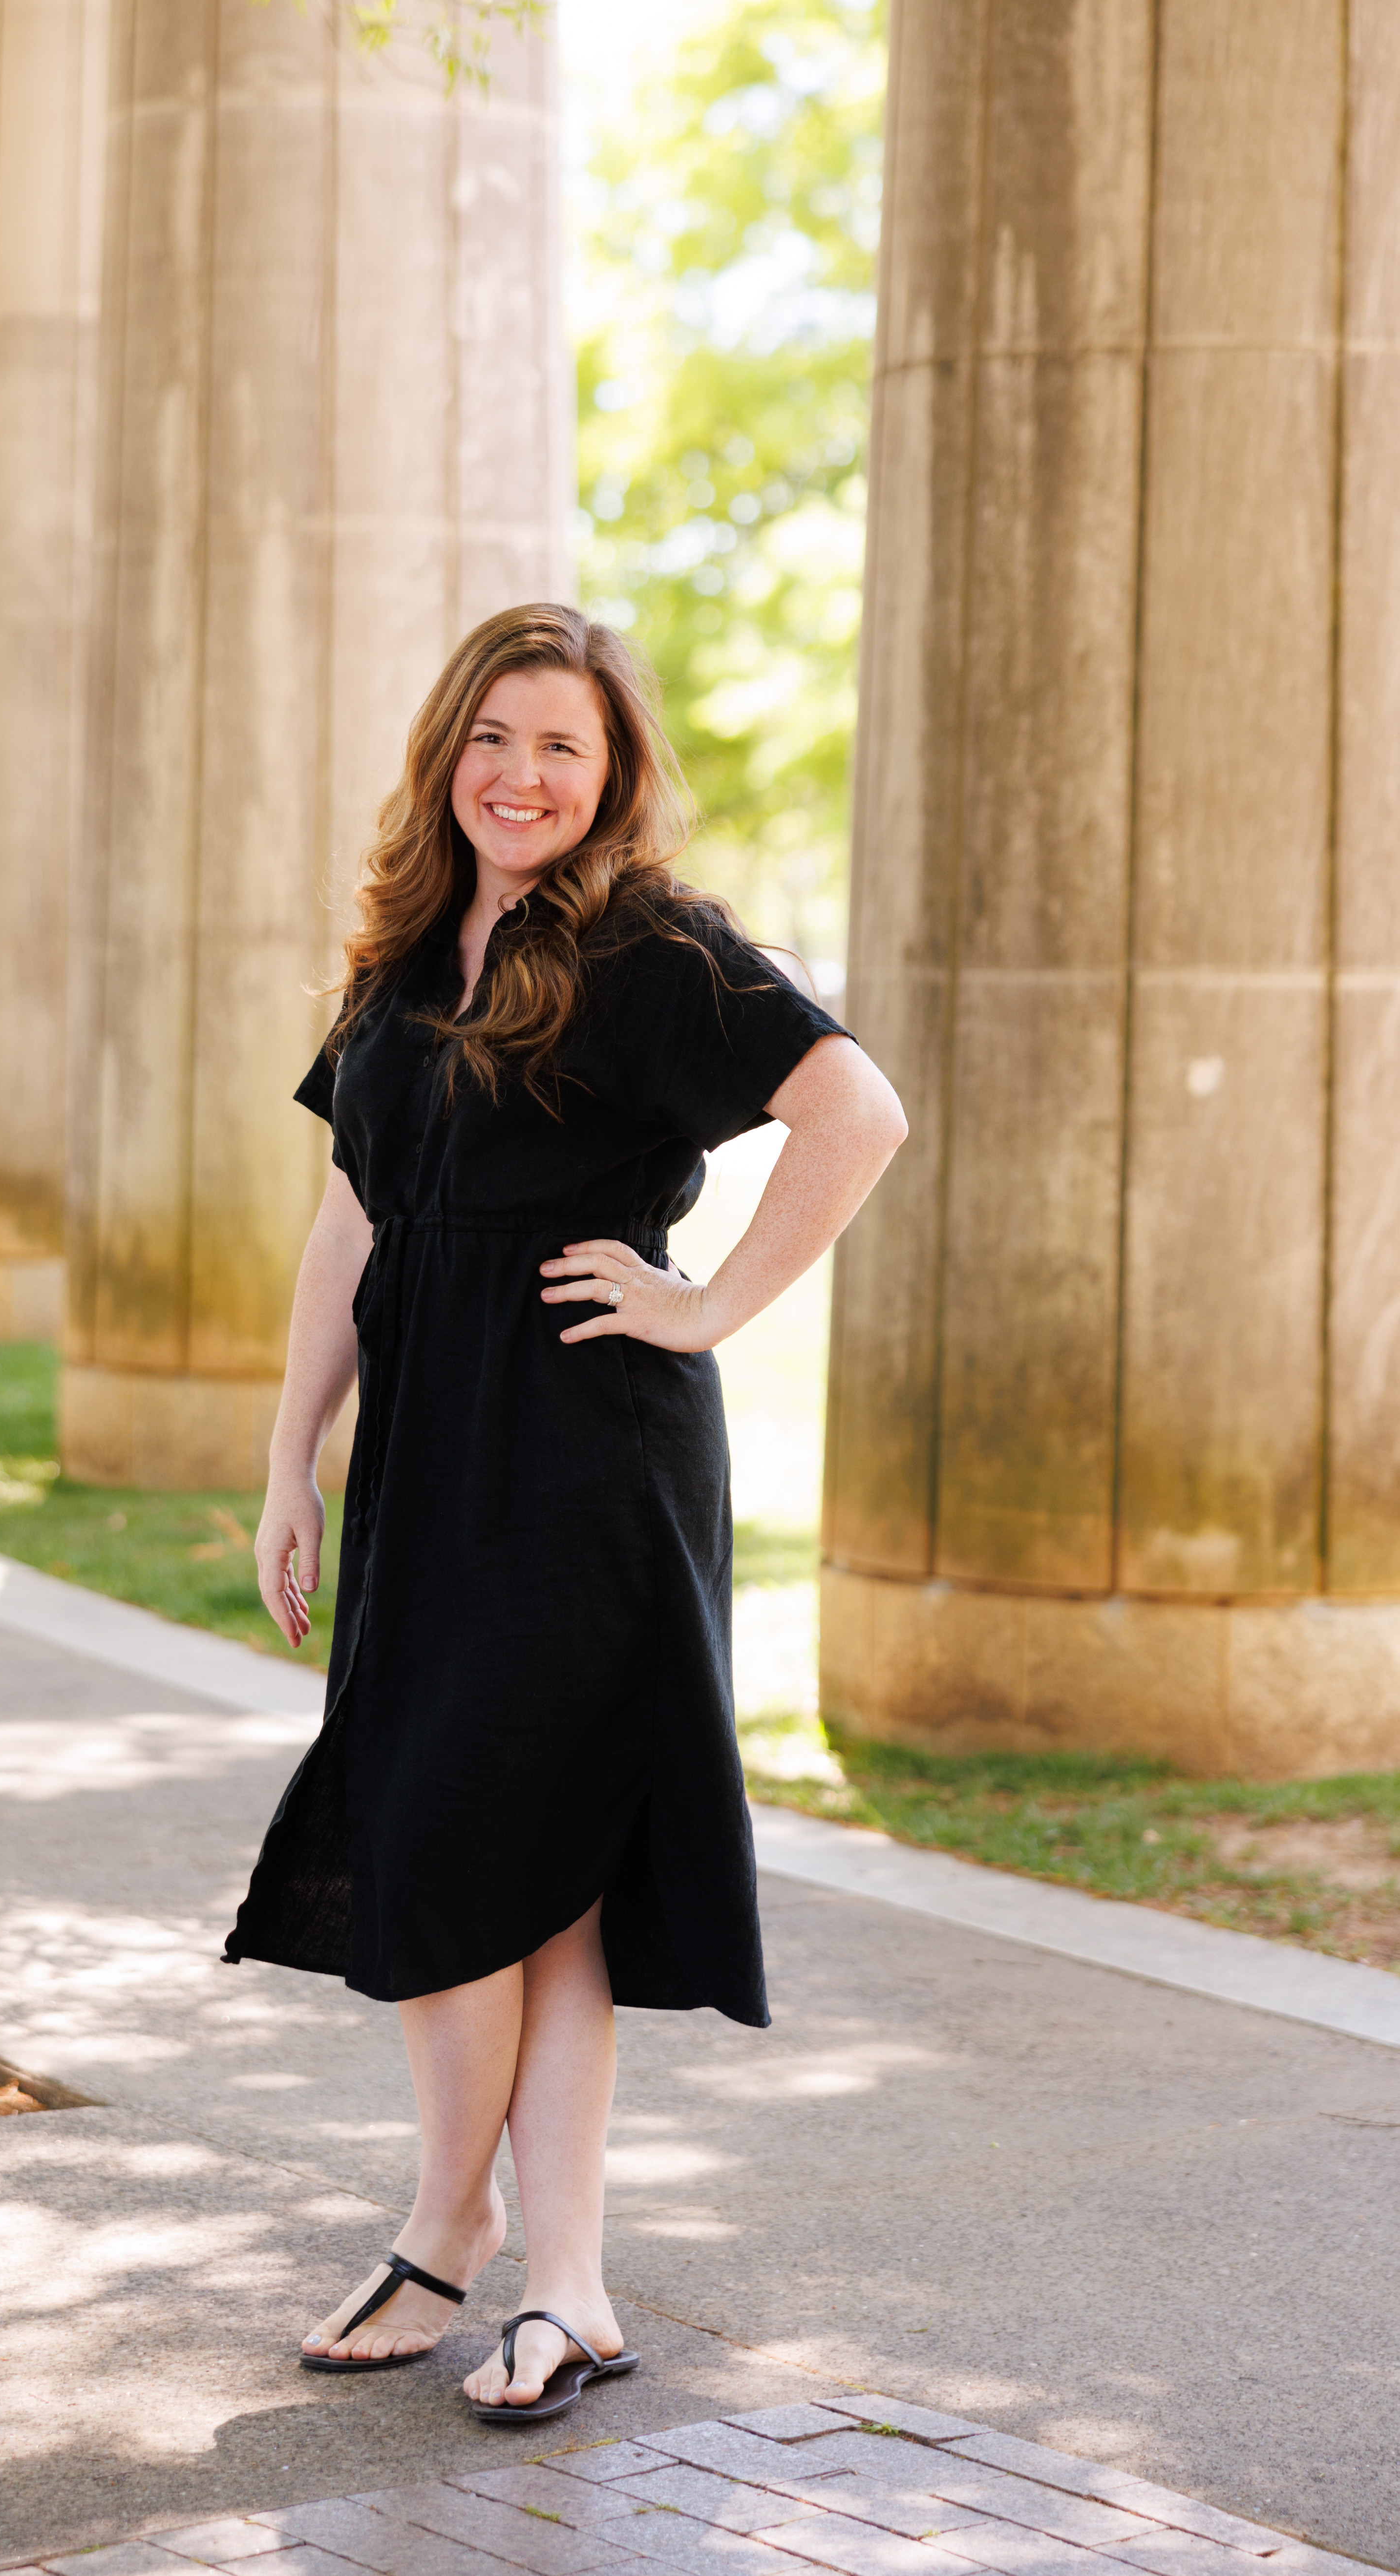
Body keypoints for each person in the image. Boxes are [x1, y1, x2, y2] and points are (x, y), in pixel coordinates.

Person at [224, 602, 906, 2425]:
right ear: (448, 749)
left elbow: (857, 1111)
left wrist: (708, 1302)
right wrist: (293, 1457)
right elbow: (352, 1219)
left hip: (587, 1461)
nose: (522, 776)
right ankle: (502, 2254)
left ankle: (525, 2263)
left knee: (523, 1864)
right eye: (495, 737)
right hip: (428, 1458)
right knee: (465, 1853)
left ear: (611, 777)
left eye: (564, 748)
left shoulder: (651, 948)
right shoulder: (404, 955)